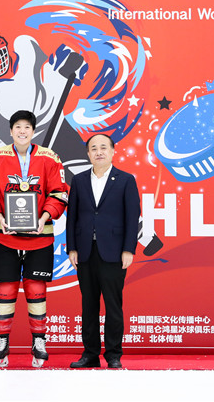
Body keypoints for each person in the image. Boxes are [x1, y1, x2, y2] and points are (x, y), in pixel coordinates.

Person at [0, 110, 69, 368]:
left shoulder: (50, 158)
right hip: (4, 236)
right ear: (10, 130)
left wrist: (44, 217)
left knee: (36, 290)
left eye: (27, 127)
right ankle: (1, 341)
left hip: (40, 237)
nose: (22, 131)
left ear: (33, 131)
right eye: (17, 126)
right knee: (5, 289)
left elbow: (60, 192)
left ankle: (39, 341)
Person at [66, 134, 140, 369]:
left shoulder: (126, 180)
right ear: (88, 153)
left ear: (113, 151)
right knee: (88, 305)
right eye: (94, 148)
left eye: (103, 148)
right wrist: (72, 248)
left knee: (113, 305)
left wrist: (128, 249)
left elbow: (133, 218)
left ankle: (113, 354)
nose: (99, 152)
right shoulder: (78, 180)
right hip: (85, 251)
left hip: (114, 252)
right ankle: (90, 354)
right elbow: (72, 217)